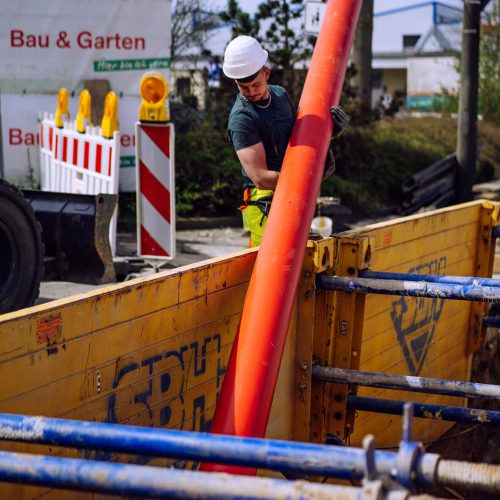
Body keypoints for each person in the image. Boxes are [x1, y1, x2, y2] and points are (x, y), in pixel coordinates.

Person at [223, 35, 349, 247]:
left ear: (267, 73)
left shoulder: (281, 96)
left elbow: (297, 140)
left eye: (256, 84)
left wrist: (330, 131)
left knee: (299, 263)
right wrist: (308, 179)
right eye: (244, 88)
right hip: (265, 203)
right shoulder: (241, 119)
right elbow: (261, 178)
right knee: (270, 270)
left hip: (293, 191)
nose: (251, 92)